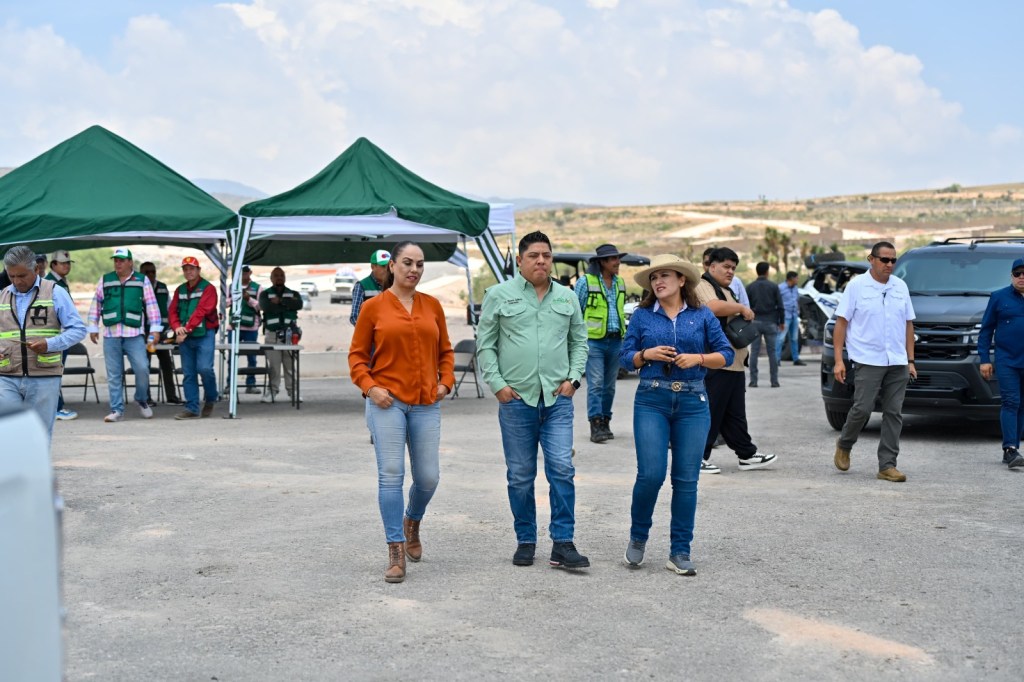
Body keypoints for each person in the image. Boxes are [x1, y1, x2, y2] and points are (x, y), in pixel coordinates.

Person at [477, 231, 590, 570]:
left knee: (562, 469)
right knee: (521, 475)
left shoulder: (567, 297)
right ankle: (525, 540)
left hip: (558, 400)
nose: (541, 261)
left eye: (546, 255)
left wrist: (573, 379)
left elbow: (579, 342)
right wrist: (497, 385)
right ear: (520, 261)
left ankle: (563, 543)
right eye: (534, 255)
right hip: (516, 400)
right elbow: (486, 345)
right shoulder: (498, 295)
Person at [619, 254, 733, 576]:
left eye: (665, 276)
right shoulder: (642, 316)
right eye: (654, 278)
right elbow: (625, 357)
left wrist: (698, 358)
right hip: (651, 399)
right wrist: (645, 354)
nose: (658, 282)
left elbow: (725, 354)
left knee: (686, 481)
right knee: (651, 474)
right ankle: (638, 537)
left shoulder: (702, 315)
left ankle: (680, 551)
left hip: (694, 402)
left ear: (682, 280)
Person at [349, 241, 454, 583]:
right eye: (407, 263)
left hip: (426, 402)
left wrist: (446, 381)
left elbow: (446, 352)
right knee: (391, 473)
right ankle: (395, 547)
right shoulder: (373, 308)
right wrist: (370, 387)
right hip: (387, 402)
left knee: (428, 477)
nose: (414, 270)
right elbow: (357, 357)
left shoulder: (433, 306)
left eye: (420, 264)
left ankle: (413, 520)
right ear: (392, 266)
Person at [831, 241, 917, 482]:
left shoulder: (901, 287)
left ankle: (887, 465)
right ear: (872, 259)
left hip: (897, 360)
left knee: (894, 412)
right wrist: (839, 360)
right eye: (885, 260)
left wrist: (910, 359)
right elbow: (842, 323)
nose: (889, 264)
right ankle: (845, 443)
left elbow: (908, 324)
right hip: (868, 359)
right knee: (863, 408)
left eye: (893, 260)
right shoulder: (857, 286)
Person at [696, 248, 778, 474]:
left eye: (733, 267)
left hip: (733, 364)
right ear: (712, 267)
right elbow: (712, 307)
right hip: (716, 362)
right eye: (726, 266)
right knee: (711, 412)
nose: (730, 271)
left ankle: (747, 454)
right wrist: (741, 307)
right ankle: (697, 457)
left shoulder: (726, 289)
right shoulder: (703, 285)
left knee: (734, 414)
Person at [0, 246, 86, 443]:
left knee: (38, 434)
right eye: (11, 276)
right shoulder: (2, 294)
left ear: (36, 270)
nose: (17, 281)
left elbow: (78, 329)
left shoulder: (55, 292)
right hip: (6, 376)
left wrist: (50, 344)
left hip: (43, 376)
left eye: (22, 275)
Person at [86, 248, 163, 422]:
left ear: (130, 262)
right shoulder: (105, 280)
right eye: (115, 260)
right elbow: (96, 304)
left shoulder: (141, 280)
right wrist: (92, 327)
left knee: (142, 368)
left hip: (134, 334)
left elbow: (151, 305)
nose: (117, 263)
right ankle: (117, 409)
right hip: (111, 335)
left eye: (121, 260)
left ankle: (142, 400)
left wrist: (155, 329)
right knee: (114, 374)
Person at [574, 243, 628, 443]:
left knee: (609, 386)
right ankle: (595, 425)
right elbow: (576, 311)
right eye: (613, 259)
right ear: (602, 262)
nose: (617, 262)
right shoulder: (585, 282)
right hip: (593, 342)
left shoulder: (620, 282)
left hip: (616, 341)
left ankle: (605, 421)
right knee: (596, 384)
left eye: (617, 258)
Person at [977, 257, 1024, 469]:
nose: (1022, 277)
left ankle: (1015, 445)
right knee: (1011, 402)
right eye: (1017, 273)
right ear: (1011, 276)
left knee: (1022, 405)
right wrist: (985, 360)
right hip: (1007, 361)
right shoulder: (998, 297)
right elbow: (986, 331)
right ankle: (1010, 450)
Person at [169, 256, 219, 420]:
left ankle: (211, 398)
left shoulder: (208, 289)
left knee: (205, 368)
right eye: (185, 269)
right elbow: (172, 312)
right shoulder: (180, 290)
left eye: (192, 268)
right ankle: (192, 408)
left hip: (204, 334)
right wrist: (177, 328)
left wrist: (186, 330)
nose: (188, 271)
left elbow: (202, 311)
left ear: (198, 270)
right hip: (185, 337)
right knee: (189, 373)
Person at [139, 262, 182, 405]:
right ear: (141, 273)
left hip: (162, 332)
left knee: (167, 364)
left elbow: (170, 308)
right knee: (145, 365)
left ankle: (171, 396)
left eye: (153, 271)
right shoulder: (138, 287)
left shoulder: (163, 288)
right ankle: (145, 398)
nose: (150, 274)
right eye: (147, 272)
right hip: (146, 332)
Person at [259, 267, 303, 403]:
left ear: (285, 278)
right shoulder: (265, 294)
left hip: (289, 335)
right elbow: (266, 307)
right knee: (274, 367)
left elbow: (298, 304)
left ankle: (293, 392)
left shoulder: (293, 293)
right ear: (271, 278)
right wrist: (287, 306)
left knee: (290, 366)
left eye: (281, 275)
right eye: (276, 275)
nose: (279, 278)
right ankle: (272, 392)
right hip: (272, 335)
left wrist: (281, 302)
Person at [45, 249, 79, 420]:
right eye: (62, 263)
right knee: (53, 372)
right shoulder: (51, 283)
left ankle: (56, 406)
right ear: (53, 265)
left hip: (61, 335)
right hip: (54, 335)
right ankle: (55, 408)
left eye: (68, 263)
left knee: (56, 372)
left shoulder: (60, 282)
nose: (66, 266)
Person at [746, 261, 785, 388]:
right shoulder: (774, 286)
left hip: (755, 322)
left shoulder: (750, 287)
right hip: (771, 322)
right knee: (772, 352)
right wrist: (782, 321)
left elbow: (746, 306)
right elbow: (780, 306)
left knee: (754, 352)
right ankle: (774, 381)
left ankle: (753, 381)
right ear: (767, 272)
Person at [235, 265, 263, 394]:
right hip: (234, 327)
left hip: (251, 327)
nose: (243, 275)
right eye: (241, 272)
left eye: (246, 272)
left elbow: (260, 307)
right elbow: (225, 303)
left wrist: (248, 299)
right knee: (232, 357)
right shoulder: (232, 286)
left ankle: (251, 384)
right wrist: (236, 297)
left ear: (250, 272)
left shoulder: (258, 288)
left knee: (252, 357)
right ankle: (231, 384)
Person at [349, 250, 391, 326]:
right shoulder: (361, 286)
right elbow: (354, 317)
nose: (386, 270)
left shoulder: (395, 285)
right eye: (383, 266)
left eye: (389, 266)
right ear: (372, 267)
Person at [777, 271, 805, 366]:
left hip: (794, 316)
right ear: (791, 278)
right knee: (780, 338)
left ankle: (796, 359)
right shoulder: (780, 288)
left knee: (794, 338)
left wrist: (798, 312)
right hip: (785, 316)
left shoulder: (795, 288)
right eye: (796, 278)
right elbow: (776, 302)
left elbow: (797, 300)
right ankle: (776, 360)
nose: (798, 280)